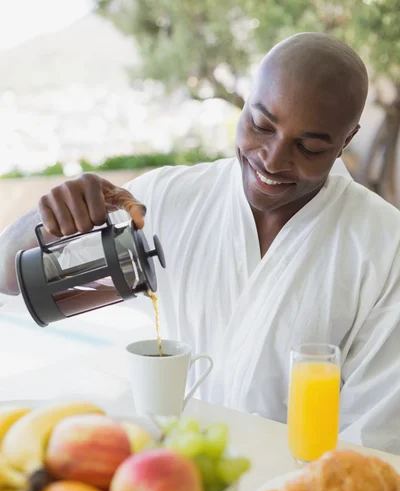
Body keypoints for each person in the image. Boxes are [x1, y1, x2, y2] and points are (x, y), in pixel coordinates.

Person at [1, 33, 400, 453]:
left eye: (309, 147)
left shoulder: (384, 247)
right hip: (182, 479)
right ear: (245, 103)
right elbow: (10, 275)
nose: (273, 159)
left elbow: (373, 445)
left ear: (346, 141)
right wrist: (50, 215)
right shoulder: (168, 201)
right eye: (261, 125)